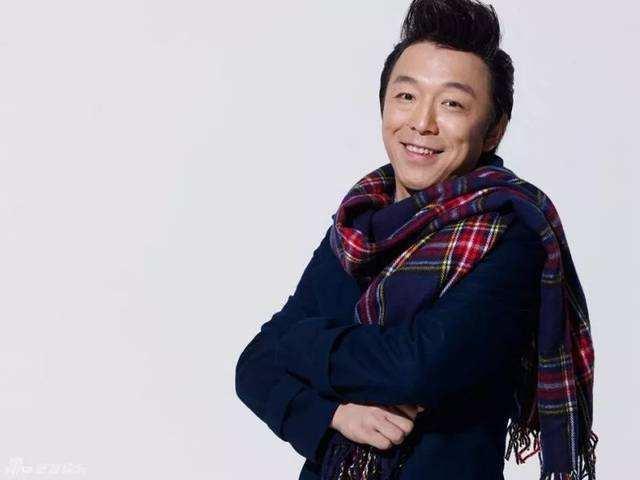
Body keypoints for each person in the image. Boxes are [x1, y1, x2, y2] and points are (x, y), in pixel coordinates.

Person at [235, 1, 597, 479]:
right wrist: (333, 416)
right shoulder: (358, 227)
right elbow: (254, 367)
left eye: (452, 104)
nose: (422, 123)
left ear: (494, 129)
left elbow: (415, 367)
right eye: (406, 96)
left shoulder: (512, 235)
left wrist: (297, 341)